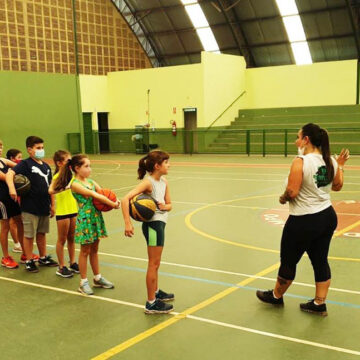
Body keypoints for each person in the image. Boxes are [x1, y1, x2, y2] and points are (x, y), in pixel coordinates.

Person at [256, 123, 349, 316]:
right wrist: (340, 165)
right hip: (327, 216)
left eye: (298, 137)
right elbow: (338, 186)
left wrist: (283, 198)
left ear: (306, 140)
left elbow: (292, 191)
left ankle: (276, 296)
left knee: (288, 261)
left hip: (303, 221)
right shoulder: (330, 160)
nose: (295, 141)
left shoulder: (301, 161)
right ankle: (319, 303)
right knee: (320, 260)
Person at [52, 154, 119, 295]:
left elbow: (103, 193)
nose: (90, 169)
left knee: (94, 249)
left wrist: (116, 200)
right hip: (85, 219)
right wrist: (112, 204)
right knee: (85, 251)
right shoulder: (75, 184)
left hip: (95, 218)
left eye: (90, 166)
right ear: (77, 168)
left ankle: (97, 277)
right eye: (86, 166)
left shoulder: (91, 181)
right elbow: (95, 196)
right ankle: (83, 282)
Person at [121, 150, 174, 314]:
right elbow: (125, 199)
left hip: (160, 224)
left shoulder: (164, 181)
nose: (169, 165)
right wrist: (128, 223)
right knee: (154, 263)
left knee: (156, 263)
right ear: (157, 166)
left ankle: (156, 292)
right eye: (166, 162)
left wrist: (165, 206)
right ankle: (151, 303)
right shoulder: (148, 183)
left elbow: (170, 204)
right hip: (152, 226)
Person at [6, 136, 58, 272]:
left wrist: (53, 205)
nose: (41, 150)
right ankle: (29, 260)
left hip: (44, 206)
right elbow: (10, 174)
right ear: (30, 150)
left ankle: (43, 257)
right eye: (38, 148)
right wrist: (12, 188)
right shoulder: (25, 164)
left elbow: (51, 187)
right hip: (30, 207)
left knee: (42, 234)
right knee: (29, 235)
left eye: (42, 147)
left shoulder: (46, 166)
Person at [48, 150, 79, 278]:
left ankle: (72, 262)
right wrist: (64, 188)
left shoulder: (72, 176)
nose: (70, 163)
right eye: (68, 161)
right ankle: (61, 267)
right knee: (62, 239)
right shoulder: (57, 177)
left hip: (73, 210)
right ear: (59, 163)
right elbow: (50, 190)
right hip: (63, 212)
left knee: (72, 238)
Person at [0, 140, 23, 269]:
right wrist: (14, 174)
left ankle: (25, 253)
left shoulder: (3, 161)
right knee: (5, 225)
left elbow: (18, 166)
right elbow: (5, 177)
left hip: (11, 196)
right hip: (2, 199)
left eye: (1, 147)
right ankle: (5, 257)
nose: (0, 149)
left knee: (19, 221)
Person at [6, 148, 24, 254]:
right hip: (10, 196)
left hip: (19, 196)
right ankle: (17, 244)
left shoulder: (18, 168)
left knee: (19, 220)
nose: (21, 160)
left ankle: (20, 243)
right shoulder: (9, 170)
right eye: (19, 157)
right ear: (12, 158)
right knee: (12, 221)